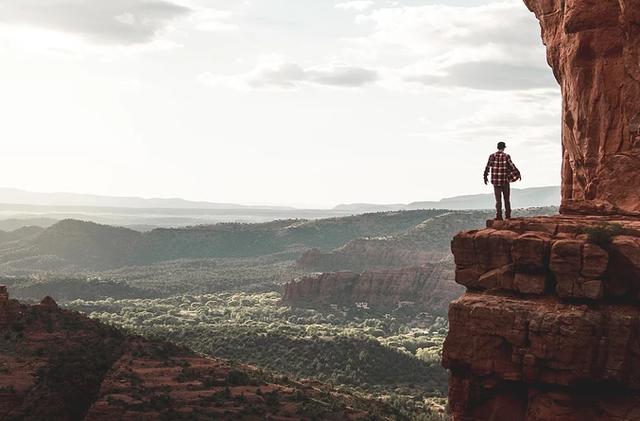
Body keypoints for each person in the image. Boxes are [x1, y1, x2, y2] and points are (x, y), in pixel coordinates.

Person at [484, 141, 521, 220]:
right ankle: (508, 216)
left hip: (495, 181)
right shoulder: (506, 156)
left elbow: (487, 167)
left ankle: (499, 216)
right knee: (506, 199)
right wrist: (518, 174)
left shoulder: (492, 156)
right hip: (505, 181)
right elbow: (512, 166)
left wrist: (485, 176)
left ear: (497, 147)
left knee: (498, 200)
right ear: (504, 147)